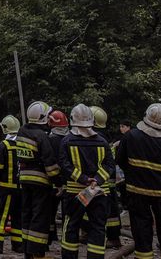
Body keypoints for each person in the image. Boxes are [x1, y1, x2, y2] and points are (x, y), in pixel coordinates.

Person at [116, 103, 161, 258]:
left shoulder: (131, 136)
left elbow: (120, 159)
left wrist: (134, 174)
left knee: (141, 227)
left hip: (136, 190)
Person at [58, 104, 115, 259]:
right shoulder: (102, 141)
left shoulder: (66, 141)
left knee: (71, 225)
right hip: (99, 192)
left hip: (75, 191)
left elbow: (64, 165)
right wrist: (96, 180)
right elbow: (110, 165)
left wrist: (83, 179)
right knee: (98, 227)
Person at [17, 101, 61, 259]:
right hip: (40, 181)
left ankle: (28, 251)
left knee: (27, 214)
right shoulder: (42, 136)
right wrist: (59, 182)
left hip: (24, 179)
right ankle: (38, 252)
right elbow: (49, 162)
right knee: (40, 216)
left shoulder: (22, 131)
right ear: (43, 117)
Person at [0, 115, 23, 254]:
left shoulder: (3, 146)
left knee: (0, 218)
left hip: (6, 190)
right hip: (20, 189)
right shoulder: (23, 144)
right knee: (18, 218)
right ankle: (18, 245)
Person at [90, 105, 122, 249]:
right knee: (112, 210)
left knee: (105, 210)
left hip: (100, 180)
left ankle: (112, 238)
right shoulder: (103, 135)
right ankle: (113, 237)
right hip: (107, 179)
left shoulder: (95, 137)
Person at [47, 109, 69, 244]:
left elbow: (48, 160)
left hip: (52, 180)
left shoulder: (49, 140)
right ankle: (67, 237)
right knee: (67, 212)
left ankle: (51, 235)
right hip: (68, 181)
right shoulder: (70, 139)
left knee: (50, 211)